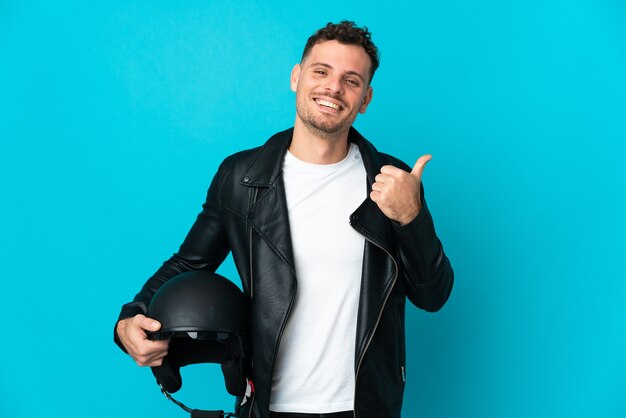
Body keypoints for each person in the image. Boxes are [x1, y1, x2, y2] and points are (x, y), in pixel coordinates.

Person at [115, 20, 454, 418]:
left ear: (365, 99)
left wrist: (411, 217)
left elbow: (433, 296)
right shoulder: (241, 178)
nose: (333, 88)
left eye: (351, 80)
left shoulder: (391, 181)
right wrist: (129, 318)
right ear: (297, 77)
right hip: (267, 405)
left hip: (365, 408)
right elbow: (189, 263)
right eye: (321, 72)